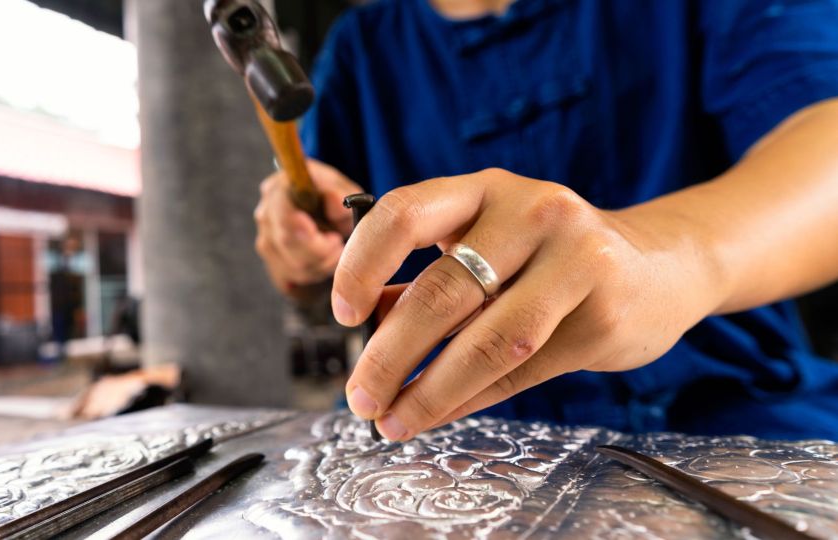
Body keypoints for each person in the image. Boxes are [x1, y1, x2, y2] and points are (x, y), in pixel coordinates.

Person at [253, 0, 838, 440]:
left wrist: (660, 255)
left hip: (729, 418)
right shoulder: (363, 50)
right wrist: (306, 246)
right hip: (442, 451)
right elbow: (324, 279)